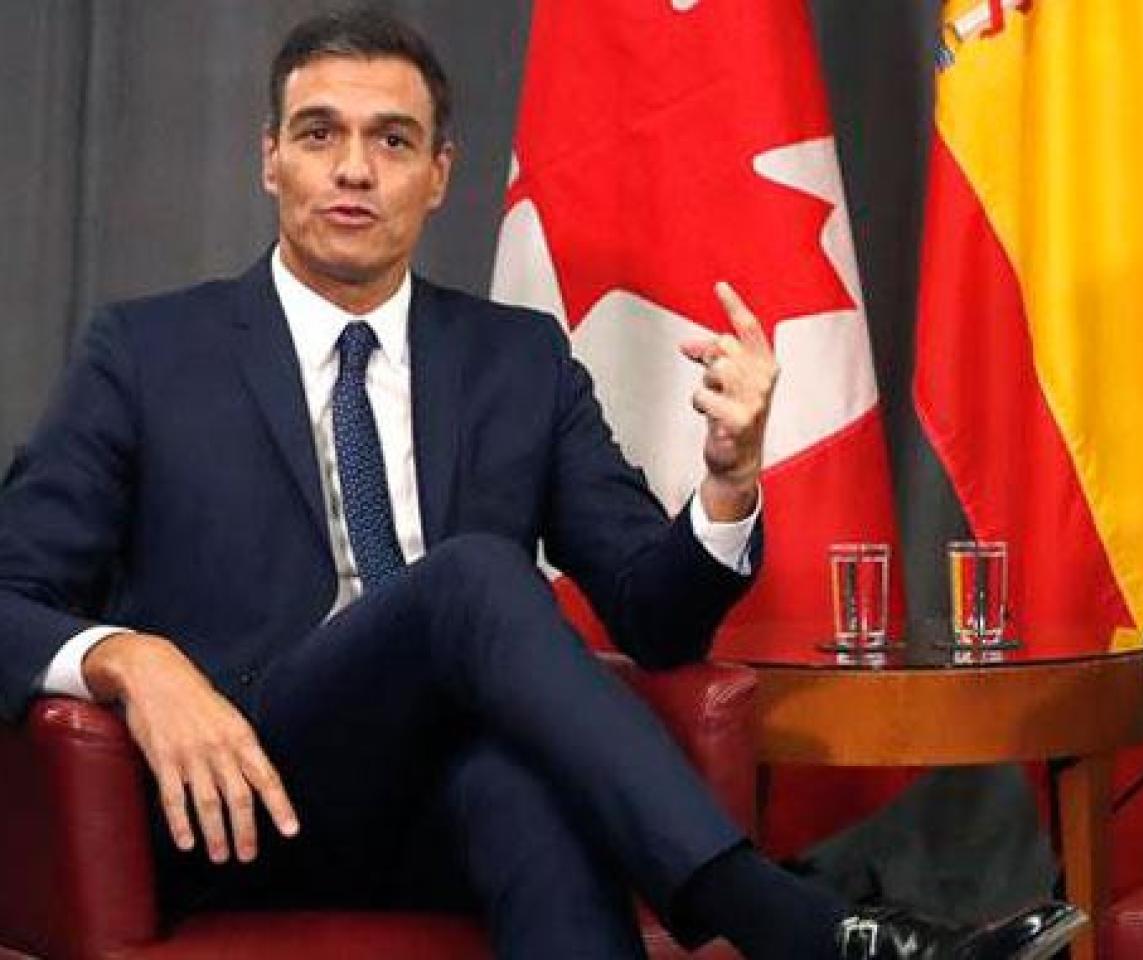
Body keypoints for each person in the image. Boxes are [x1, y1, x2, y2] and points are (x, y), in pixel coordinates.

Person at [0, 9, 1084, 959]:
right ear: (269, 159)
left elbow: (651, 617)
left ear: (439, 177)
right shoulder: (146, 354)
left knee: (527, 791)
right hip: (238, 803)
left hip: (442, 811)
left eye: (392, 140)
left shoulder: (516, 357)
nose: (353, 170)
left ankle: (785, 922)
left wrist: (727, 478)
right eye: (319, 134)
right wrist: (129, 661)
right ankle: (780, 917)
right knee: (471, 577)